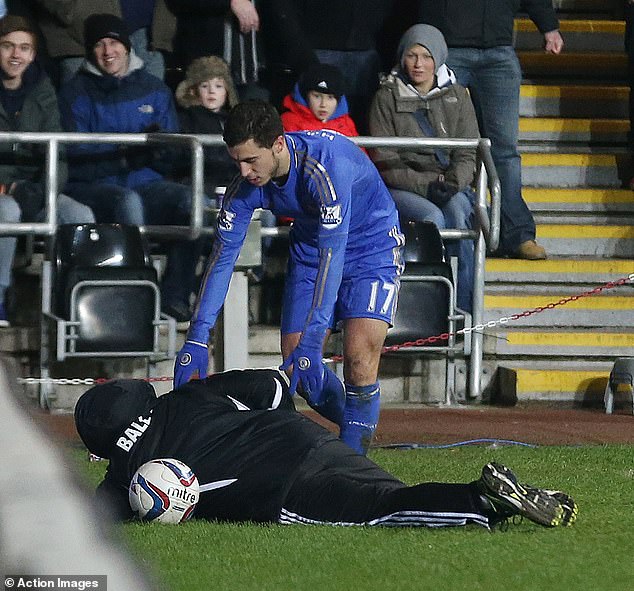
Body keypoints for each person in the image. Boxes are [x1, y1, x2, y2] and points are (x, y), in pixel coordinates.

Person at [174, 100, 404, 456]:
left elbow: (335, 254)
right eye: (237, 160)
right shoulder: (245, 186)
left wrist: (315, 339)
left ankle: (352, 462)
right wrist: (197, 338)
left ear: (278, 144)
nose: (245, 170)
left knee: (358, 358)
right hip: (313, 250)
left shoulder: (326, 167)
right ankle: (355, 436)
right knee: (300, 367)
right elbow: (221, 260)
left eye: (251, 160)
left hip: (370, 247)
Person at [74, 368, 579, 529]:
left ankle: (483, 503)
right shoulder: (187, 395)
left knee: (382, 512)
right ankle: (503, 500)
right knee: (394, 494)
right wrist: (281, 433)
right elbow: (273, 385)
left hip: (281, 486)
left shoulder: (124, 475)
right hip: (307, 441)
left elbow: (87, 520)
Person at [58, 13, 201, 323]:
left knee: (192, 204)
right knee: (128, 202)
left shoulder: (154, 89)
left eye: (114, 42)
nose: (108, 51)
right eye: (99, 44)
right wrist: (124, 157)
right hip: (95, 188)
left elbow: (176, 154)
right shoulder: (75, 93)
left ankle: (174, 296)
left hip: (147, 183)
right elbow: (76, 156)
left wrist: (158, 151)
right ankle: (136, 296)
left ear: (126, 46)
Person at [416, 0, 564, 260]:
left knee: (504, 152)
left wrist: (549, 27)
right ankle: (455, 226)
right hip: (448, 50)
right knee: (441, 147)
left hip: (498, 52)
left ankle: (518, 234)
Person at [368, 24, 477, 314]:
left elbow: (468, 152)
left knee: (458, 214)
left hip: (447, 183)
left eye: (426, 57)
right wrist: (425, 185)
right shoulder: (386, 97)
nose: (419, 64)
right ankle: (432, 307)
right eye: (412, 56)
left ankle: (463, 308)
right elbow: (385, 158)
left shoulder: (458, 96)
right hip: (403, 186)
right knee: (433, 218)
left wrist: (453, 183)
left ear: (438, 59)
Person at [0, 14, 94, 327]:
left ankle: (74, 305)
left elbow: (59, 153)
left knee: (79, 215)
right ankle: (0, 296)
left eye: (24, 48)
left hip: (37, 187)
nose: (16, 55)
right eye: (8, 46)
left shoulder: (42, 89)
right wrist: (8, 187)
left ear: (33, 54)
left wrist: (46, 190)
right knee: (8, 211)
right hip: (4, 193)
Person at [33, 0, 175, 84]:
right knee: (84, 127)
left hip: (147, 37)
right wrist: (71, 9)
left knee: (152, 125)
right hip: (82, 39)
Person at [175, 55, 239, 196]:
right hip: (199, 186)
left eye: (218, 86)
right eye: (204, 85)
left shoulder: (234, 121)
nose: (212, 91)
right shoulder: (187, 118)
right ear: (193, 90)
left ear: (227, 92)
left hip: (231, 185)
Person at [280, 63, 360, 137]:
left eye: (330, 97)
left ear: (339, 101)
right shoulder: (289, 122)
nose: (323, 104)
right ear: (305, 96)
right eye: (317, 96)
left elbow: (359, 152)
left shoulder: (346, 123)